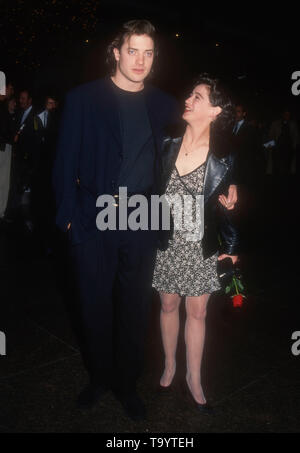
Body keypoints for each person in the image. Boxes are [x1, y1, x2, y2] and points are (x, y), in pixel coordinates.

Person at [53, 20, 238, 421]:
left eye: (148, 52)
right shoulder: (83, 99)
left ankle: (126, 383)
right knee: (94, 304)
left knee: (135, 308)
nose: (140, 60)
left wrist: (232, 183)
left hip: (143, 218)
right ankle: (99, 378)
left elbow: (206, 137)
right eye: (132, 51)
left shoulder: (163, 105)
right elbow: (64, 161)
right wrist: (68, 218)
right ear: (116, 53)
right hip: (93, 216)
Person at [152, 74, 240, 412]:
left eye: (198, 97)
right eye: (190, 94)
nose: (188, 99)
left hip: (201, 247)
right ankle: (170, 365)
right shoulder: (166, 145)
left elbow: (228, 212)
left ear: (215, 111)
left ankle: (193, 376)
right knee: (169, 306)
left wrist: (231, 252)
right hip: (167, 242)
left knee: (198, 312)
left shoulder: (224, 159)